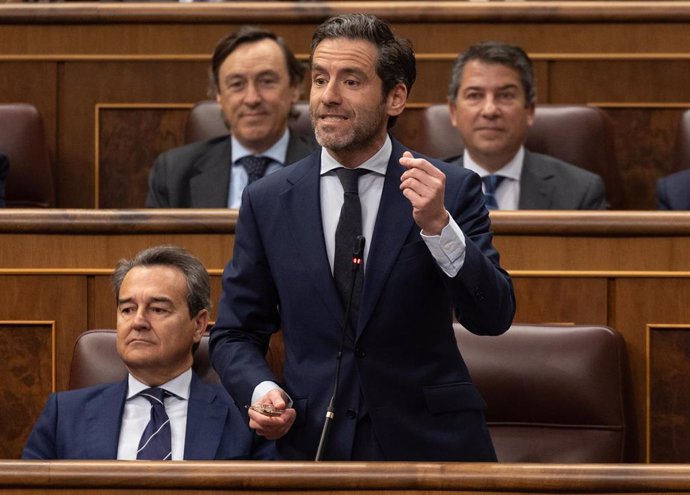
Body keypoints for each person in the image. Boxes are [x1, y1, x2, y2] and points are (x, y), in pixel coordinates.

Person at [210, 14, 515, 462]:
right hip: (312, 442)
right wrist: (261, 389)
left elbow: (493, 316)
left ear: (395, 97)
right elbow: (236, 333)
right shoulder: (268, 200)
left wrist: (438, 227)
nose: (328, 97)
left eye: (351, 81)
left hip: (431, 446)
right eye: (319, 79)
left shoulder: (450, 187)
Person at [23, 245, 274, 460]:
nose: (138, 322)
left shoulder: (246, 419)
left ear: (198, 324)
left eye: (157, 309)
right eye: (128, 309)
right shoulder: (64, 415)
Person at [146, 27, 317, 208]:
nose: (252, 99)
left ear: (295, 88)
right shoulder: (173, 173)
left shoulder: (328, 167)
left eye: (267, 81)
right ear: (218, 94)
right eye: (237, 84)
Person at [445, 41, 607, 210]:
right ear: (454, 111)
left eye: (506, 95)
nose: (490, 110)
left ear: (529, 110)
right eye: (475, 95)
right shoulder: (418, 187)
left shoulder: (580, 191)